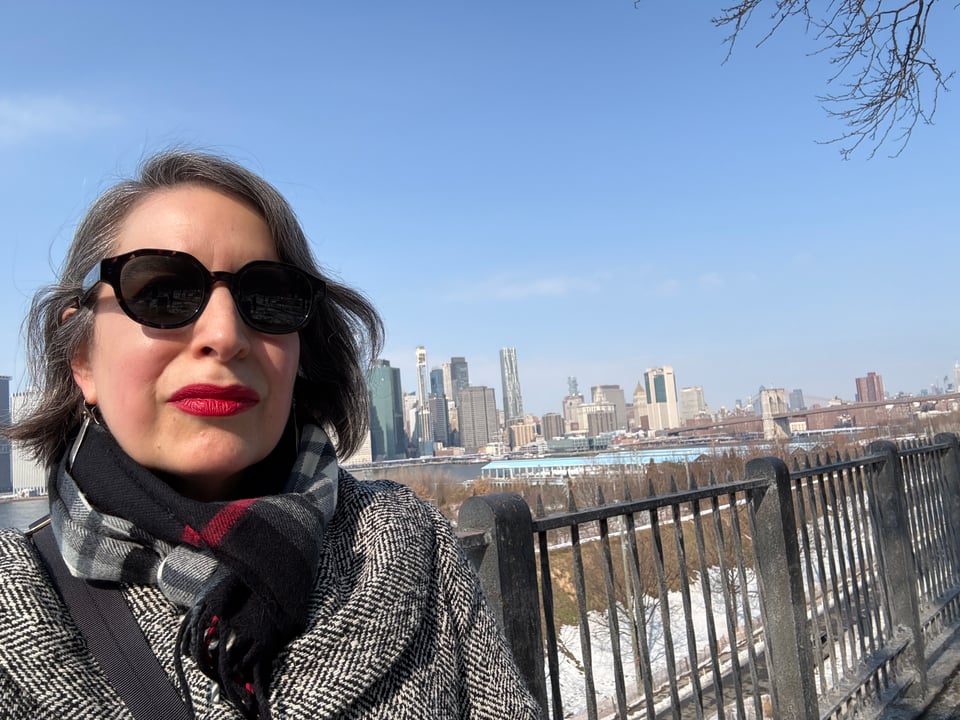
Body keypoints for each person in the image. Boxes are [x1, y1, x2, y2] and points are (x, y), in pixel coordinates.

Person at [0, 150, 541, 720]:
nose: (225, 334)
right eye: (161, 292)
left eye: (268, 297)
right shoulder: (22, 601)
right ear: (82, 356)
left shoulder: (411, 541)